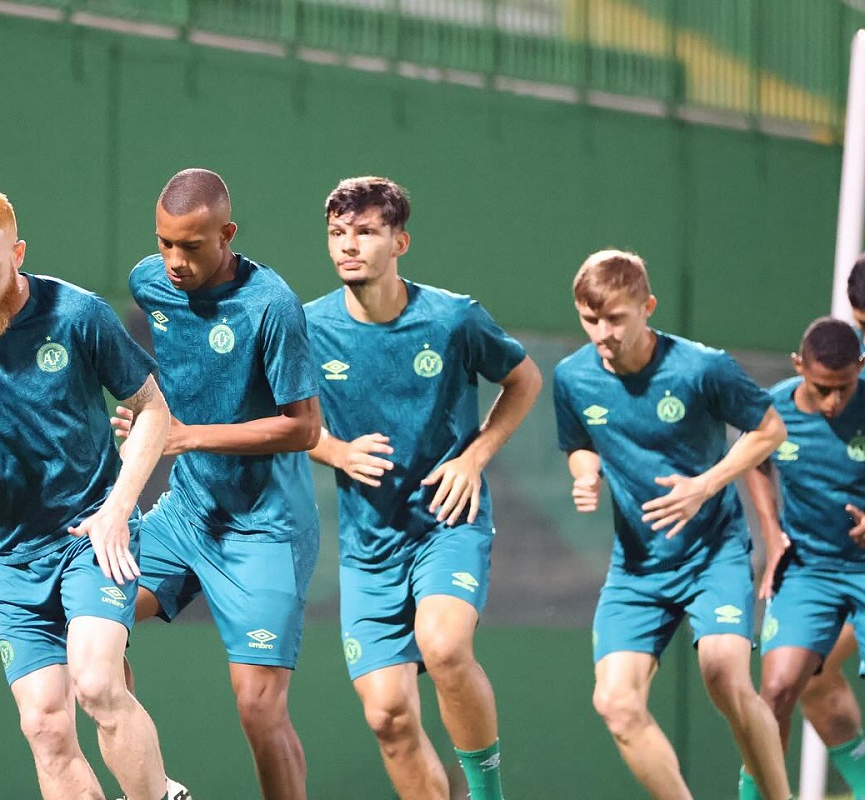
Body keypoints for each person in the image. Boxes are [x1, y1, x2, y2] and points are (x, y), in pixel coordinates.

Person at [0, 184, 188, 800]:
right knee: (45, 726)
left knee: (96, 682)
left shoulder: (77, 313)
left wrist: (119, 509)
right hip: (10, 555)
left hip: (93, 529)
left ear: (19, 252)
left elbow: (153, 411)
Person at [304, 176, 541, 799]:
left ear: (400, 241)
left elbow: (524, 381)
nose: (347, 246)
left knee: (443, 645)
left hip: (447, 521)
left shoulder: (454, 318)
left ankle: (488, 795)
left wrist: (476, 457)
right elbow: (278, 420)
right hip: (368, 544)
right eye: (336, 234)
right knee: (387, 715)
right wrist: (333, 449)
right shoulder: (307, 327)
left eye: (364, 233)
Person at [552, 249, 791, 799]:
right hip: (637, 569)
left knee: (725, 674)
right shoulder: (573, 378)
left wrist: (705, 485)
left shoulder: (702, 367)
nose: (603, 333)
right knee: (615, 703)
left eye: (616, 319)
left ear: (647, 307)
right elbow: (579, 445)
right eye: (591, 319)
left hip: (714, 555)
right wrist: (585, 475)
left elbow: (770, 430)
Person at [115, 168, 321, 800]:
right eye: (164, 243)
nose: (174, 261)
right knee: (91, 628)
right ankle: (158, 791)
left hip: (266, 527)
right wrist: (152, 418)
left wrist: (183, 434)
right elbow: (173, 383)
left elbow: (305, 429)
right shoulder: (148, 283)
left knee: (259, 708)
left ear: (227, 234)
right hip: (186, 514)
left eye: (192, 246)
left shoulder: (272, 305)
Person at [742, 317, 865, 799]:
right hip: (809, 570)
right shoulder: (773, 408)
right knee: (775, 692)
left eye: (845, 388)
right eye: (823, 389)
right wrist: (772, 535)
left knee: (820, 680)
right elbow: (753, 460)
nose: (835, 402)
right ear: (799, 366)